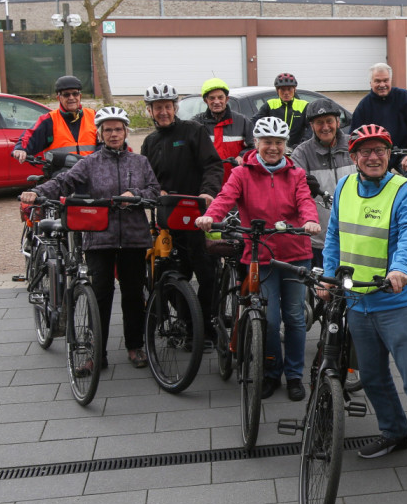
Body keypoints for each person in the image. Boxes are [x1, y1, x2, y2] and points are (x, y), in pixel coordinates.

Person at [318, 124, 407, 487]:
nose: (374, 157)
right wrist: (328, 276)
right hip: (357, 301)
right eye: (366, 151)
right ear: (354, 156)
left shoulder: (402, 188)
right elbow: (334, 235)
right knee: (372, 375)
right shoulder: (344, 187)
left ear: (389, 155)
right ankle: (394, 432)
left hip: (396, 302)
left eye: (380, 151)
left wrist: (401, 268)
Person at [22, 107, 160, 369]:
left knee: (133, 294)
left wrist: (135, 194)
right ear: (100, 134)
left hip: (134, 237)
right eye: (107, 130)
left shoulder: (139, 162)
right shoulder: (90, 162)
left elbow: (154, 191)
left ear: (126, 132)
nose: (113, 134)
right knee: (100, 296)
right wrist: (37, 192)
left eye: (118, 129)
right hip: (99, 238)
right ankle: (96, 353)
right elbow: (63, 182)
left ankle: (135, 346)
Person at [197, 117, 321, 401]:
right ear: (256, 143)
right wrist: (211, 216)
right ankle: (271, 372)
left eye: (278, 143)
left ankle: (294, 375)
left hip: (295, 255)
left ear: (285, 145)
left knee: (294, 317)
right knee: (269, 319)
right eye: (267, 142)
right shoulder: (242, 173)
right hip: (261, 255)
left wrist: (310, 220)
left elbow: (305, 201)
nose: (273, 148)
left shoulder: (296, 173)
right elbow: (225, 197)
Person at [141, 84, 223, 327]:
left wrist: (207, 192)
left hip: (197, 215)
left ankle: (206, 327)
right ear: (150, 111)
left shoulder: (193, 131)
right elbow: (145, 177)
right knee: (170, 275)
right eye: (158, 108)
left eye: (168, 106)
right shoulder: (150, 142)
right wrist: (156, 190)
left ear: (175, 108)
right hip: (167, 220)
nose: (163, 112)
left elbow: (212, 165)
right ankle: (189, 324)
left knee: (208, 274)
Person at [291, 98, 355, 267]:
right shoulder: (301, 154)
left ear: (338, 122)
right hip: (319, 240)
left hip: (355, 237)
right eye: (319, 123)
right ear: (311, 126)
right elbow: (296, 193)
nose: (325, 127)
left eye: (329, 121)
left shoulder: (354, 145)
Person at [349, 62, 407, 184]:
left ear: (390, 80)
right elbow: (354, 135)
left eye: (385, 80)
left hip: (404, 152)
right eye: (377, 81)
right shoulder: (364, 106)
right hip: (376, 154)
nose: (382, 85)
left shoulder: (405, 98)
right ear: (370, 83)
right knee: (372, 179)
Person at [13, 75, 97, 173]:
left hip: (91, 173)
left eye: (75, 94)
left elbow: (105, 142)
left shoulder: (93, 116)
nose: (71, 98)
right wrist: (20, 149)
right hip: (61, 176)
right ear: (58, 98)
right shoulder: (49, 120)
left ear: (80, 96)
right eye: (66, 95)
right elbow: (30, 136)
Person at [193, 77, 251, 183]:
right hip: (207, 183)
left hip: (235, 182)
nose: (216, 102)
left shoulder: (242, 121)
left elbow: (254, 146)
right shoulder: (196, 123)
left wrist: (242, 156)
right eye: (212, 98)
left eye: (220, 97)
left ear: (226, 99)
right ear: (205, 100)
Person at [251, 72, 310, 149]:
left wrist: (302, 144)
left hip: (297, 149)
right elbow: (254, 122)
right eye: (282, 89)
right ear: (277, 90)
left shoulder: (304, 105)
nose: (286, 93)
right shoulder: (270, 104)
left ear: (295, 89)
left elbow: (311, 128)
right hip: (275, 148)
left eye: (289, 89)